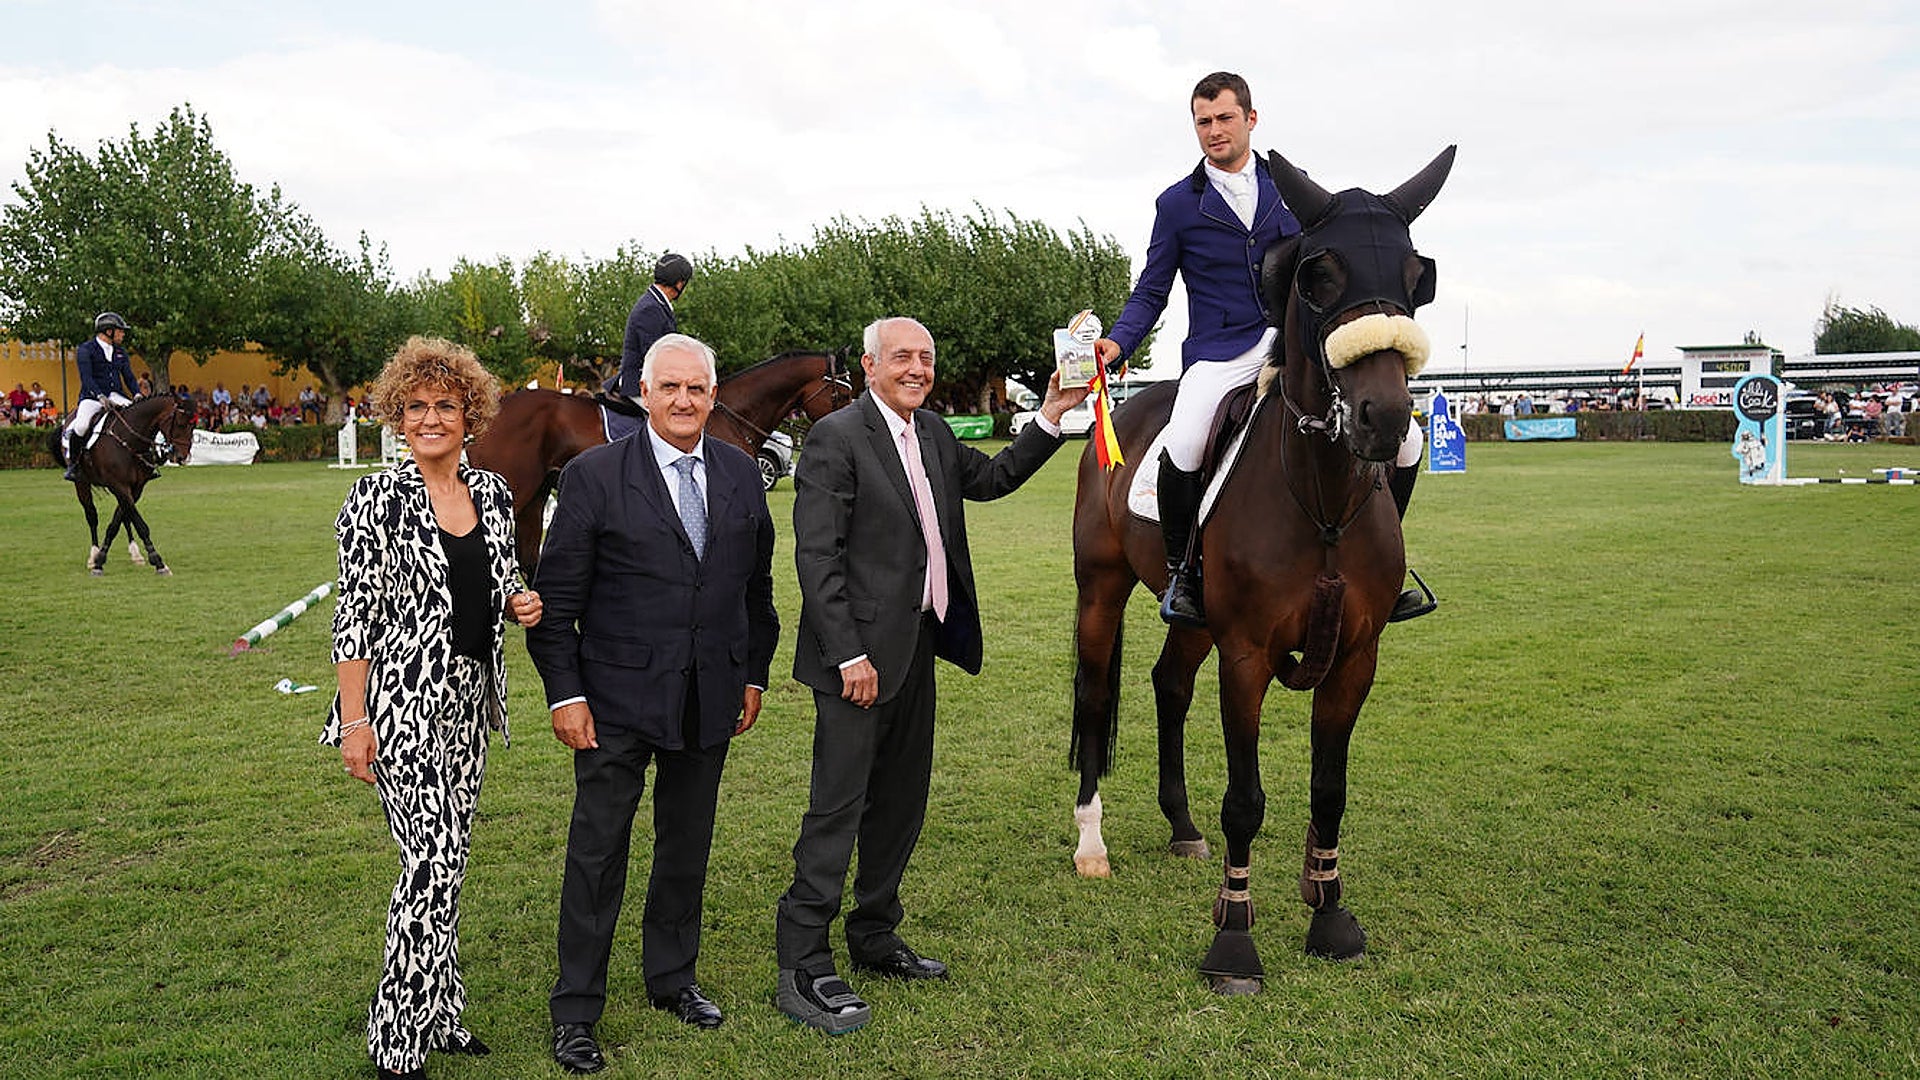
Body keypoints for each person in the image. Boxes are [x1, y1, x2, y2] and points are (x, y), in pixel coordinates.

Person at [773, 316, 1089, 1034]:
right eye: (902, 357)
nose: (916, 368)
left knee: (901, 803)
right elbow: (816, 559)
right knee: (838, 807)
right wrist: (848, 654)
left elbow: (997, 477)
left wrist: (1051, 413)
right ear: (869, 365)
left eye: (925, 358)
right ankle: (804, 964)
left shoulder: (938, 434)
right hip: (855, 660)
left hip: (917, 648)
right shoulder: (836, 437)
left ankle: (875, 933)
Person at [526, 333, 778, 1074]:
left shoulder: (739, 472)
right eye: (668, 388)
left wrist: (752, 675)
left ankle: (673, 979)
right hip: (611, 702)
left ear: (713, 393)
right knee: (597, 857)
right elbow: (559, 600)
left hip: (710, 697)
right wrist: (565, 694)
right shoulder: (596, 476)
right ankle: (576, 1010)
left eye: (696, 389)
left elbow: (754, 591)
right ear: (643, 392)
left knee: (685, 848)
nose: (683, 401)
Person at [323, 335, 544, 1080]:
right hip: (399, 707)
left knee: (449, 864)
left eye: (444, 405)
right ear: (395, 415)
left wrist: (522, 601)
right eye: (414, 406)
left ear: (469, 413)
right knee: (431, 862)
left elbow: (505, 578)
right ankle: (395, 1037)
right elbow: (354, 614)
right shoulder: (376, 499)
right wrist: (356, 721)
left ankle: (443, 1015)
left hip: (468, 706)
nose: (429, 418)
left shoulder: (487, 493)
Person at [62, 312, 141, 481]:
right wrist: (99, 396)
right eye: (120, 331)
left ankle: (144, 463)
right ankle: (74, 466)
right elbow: (86, 378)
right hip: (92, 397)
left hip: (116, 395)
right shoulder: (86, 350)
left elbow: (128, 376)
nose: (123, 334)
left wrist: (137, 394)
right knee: (81, 426)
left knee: (137, 419)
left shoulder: (120, 352)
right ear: (108, 331)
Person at [613, 253, 693, 402]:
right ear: (679, 283)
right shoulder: (651, 308)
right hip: (638, 384)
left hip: (650, 381)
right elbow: (656, 356)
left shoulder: (657, 304)